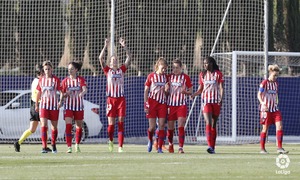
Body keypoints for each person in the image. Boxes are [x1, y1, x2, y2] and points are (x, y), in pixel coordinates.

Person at [99, 38, 131, 153]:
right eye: (112, 60)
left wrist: (124, 46)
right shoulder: (107, 70)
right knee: (111, 123)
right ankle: (111, 140)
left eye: (116, 60)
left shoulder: (122, 70)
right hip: (111, 100)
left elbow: (129, 58)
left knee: (121, 121)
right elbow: (100, 59)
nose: (114, 62)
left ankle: (121, 146)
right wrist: (105, 46)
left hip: (121, 99)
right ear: (110, 62)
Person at [14, 65, 51, 152]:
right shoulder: (40, 82)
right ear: (40, 74)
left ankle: (18, 142)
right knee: (44, 126)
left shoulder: (34, 81)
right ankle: (44, 146)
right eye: (44, 72)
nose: (46, 74)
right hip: (39, 105)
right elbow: (40, 94)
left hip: (33, 106)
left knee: (32, 129)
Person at [191, 56, 224, 154]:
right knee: (208, 123)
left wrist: (221, 98)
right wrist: (194, 94)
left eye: (207, 63)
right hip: (206, 101)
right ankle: (209, 145)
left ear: (211, 64)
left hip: (216, 102)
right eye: (204, 63)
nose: (205, 65)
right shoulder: (202, 74)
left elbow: (221, 87)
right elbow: (201, 89)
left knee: (213, 124)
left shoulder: (218, 74)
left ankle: (212, 147)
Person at [257, 64, 288, 154]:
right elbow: (259, 94)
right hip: (266, 110)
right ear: (270, 73)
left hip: (275, 109)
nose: (275, 77)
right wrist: (263, 103)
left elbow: (275, 95)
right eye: (274, 75)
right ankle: (262, 149)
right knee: (265, 129)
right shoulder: (264, 83)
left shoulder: (276, 83)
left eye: (277, 76)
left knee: (280, 126)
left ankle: (279, 148)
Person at [35, 61, 62, 153]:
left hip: (54, 106)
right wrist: (36, 104)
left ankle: (53, 144)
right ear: (43, 70)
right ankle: (44, 146)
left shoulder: (56, 80)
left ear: (52, 69)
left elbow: (61, 92)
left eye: (49, 69)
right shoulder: (41, 80)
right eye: (45, 69)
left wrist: (60, 101)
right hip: (43, 105)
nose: (47, 71)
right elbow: (38, 92)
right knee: (43, 125)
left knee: (54, 127)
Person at [167, 59, 193, 153]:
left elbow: (190, 91)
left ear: (181, 68)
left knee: (181, 125)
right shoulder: (169, 77)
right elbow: (165, 91)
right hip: (171, 105)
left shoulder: (186, 77)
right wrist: (166, 90)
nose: (175, 69)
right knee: (170, 128)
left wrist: (185, 92)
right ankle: (170, 144)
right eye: (173, 68)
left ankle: (180, 147)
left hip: (181, 105)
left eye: (177, 68)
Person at [61, 61, 87, 153]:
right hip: (68, 106)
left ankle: (77, 144)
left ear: (76, 70)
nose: (70, 71)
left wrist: (82, 93)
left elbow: (84, 89)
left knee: (79, 126)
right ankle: (69, 147)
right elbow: (62, 94)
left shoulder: (80, 80)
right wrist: (65, 95)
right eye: (68, 69)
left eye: (72, 69)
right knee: (68, 125)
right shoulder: (65, 81)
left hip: (78, 107)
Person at [144, 57, 168, 153]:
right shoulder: (151, 76)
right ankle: (150, 140)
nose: (164, 70)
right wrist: (146, 104)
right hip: (152, 103)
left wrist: (166, 91)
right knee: (152, 127)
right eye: (162, 68)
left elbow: (167, 93)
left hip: (162, 103)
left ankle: (159, 147)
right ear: (157, 66)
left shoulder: (166, 77)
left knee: (162, 125)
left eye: (165, 69)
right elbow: (146, 91)